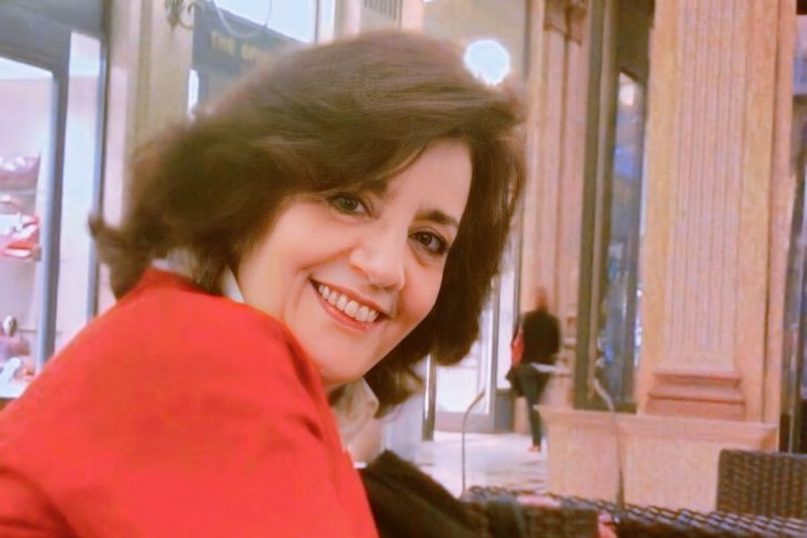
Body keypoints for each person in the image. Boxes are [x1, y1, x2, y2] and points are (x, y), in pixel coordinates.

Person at [0, 31, 524, 536]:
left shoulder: (192, 336)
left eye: (428, 240)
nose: (386, 267)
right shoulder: (207, 357)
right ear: (247, 193)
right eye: (348, 202)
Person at [514, 287, 561, 452]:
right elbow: (556, 347)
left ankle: (537, 442)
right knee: (539, 401)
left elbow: (516, 341)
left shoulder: (525, 319)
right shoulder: (552, 322)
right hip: (545, 368)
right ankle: (545, 438)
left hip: (527, 367)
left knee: (532, 404)